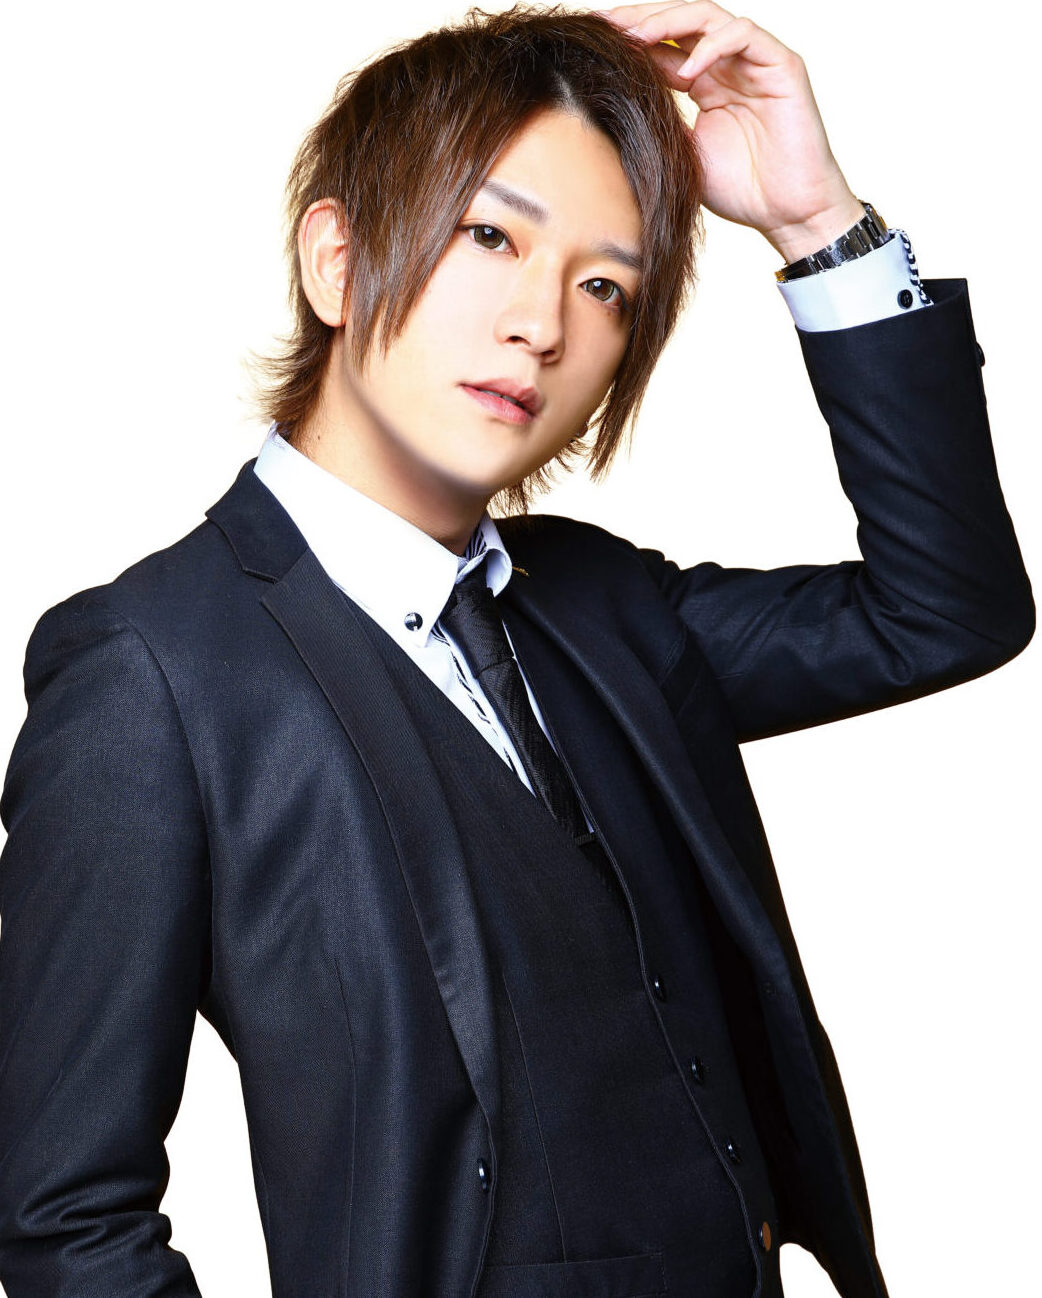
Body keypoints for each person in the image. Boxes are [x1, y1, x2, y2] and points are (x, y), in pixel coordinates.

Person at [0, 2, 1033, 1296]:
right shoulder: (151, 671)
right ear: (337, 261)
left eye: (605, 287)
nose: (542, 324)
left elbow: (945, 609)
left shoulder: (605, 607)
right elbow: (67, 1214)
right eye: (490, 236)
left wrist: (817, 225)